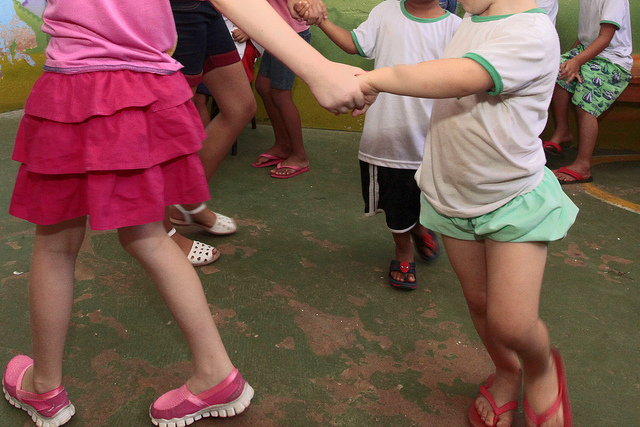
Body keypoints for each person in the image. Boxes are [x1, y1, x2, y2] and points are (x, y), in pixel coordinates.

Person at [2, 1, 366, 426]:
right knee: (148, 236)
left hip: (75, 91)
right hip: (149, 89)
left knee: (56, 246)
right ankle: (214, 372)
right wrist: (317, 67)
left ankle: (44, 386)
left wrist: (317, 69)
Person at [354, 0, 578, 425]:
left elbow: (463, 76)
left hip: (510, 198)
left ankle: (541, 366)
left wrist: (371, 80)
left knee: (512, 322)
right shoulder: (475, 18)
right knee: (478, 301)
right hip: (451, 193)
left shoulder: (532, 33)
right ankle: (507, 372)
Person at [310, 0, 461, 289]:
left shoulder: (455, 28)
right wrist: (322, 21)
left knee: (427, 197)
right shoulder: (385, 12)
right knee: (395, 199)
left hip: (432, 136)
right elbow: (355, 44)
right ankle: (403, 249)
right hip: (388, 134)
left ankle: (419, 228)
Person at [166, 0, 257, 259]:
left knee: (239, 105)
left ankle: (187, 202)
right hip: (176, 8)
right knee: (171, 125)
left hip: (206, 8)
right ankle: (161, 232)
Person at [542, 0, 632, 185]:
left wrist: (577, 61)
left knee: (587, 96)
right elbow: (586, 37)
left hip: (612, 60)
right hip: (589, 53)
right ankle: (563, 130)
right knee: (557, 72)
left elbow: (605, 38)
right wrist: (573, 57)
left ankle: (583, 165)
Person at [251, 0, 312, 179]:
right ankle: (283, 144)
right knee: (263, 85)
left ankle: (300, 156)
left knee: (280, 94)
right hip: (275, 30)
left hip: (290, 33)